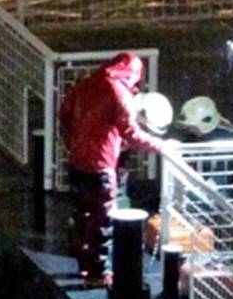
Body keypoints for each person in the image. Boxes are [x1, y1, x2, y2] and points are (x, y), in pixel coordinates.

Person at [57, 52, 165, 286]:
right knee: (102, 220)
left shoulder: (85, 84)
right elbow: (130, 132)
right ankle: (98, 273)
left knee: (81, 215)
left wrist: (72, 142)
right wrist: (160, 146)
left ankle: (82, 263)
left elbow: (64, 114)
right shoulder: (119, 92)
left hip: (76, 162)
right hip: (101, 166)